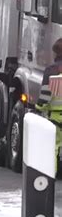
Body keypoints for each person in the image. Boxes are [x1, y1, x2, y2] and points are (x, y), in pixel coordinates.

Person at [36, 38, 62, 171]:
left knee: (53, 149)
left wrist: (38, 108)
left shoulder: (51, 70)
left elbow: (45, 95)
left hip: (54, 119)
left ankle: (51, 176)